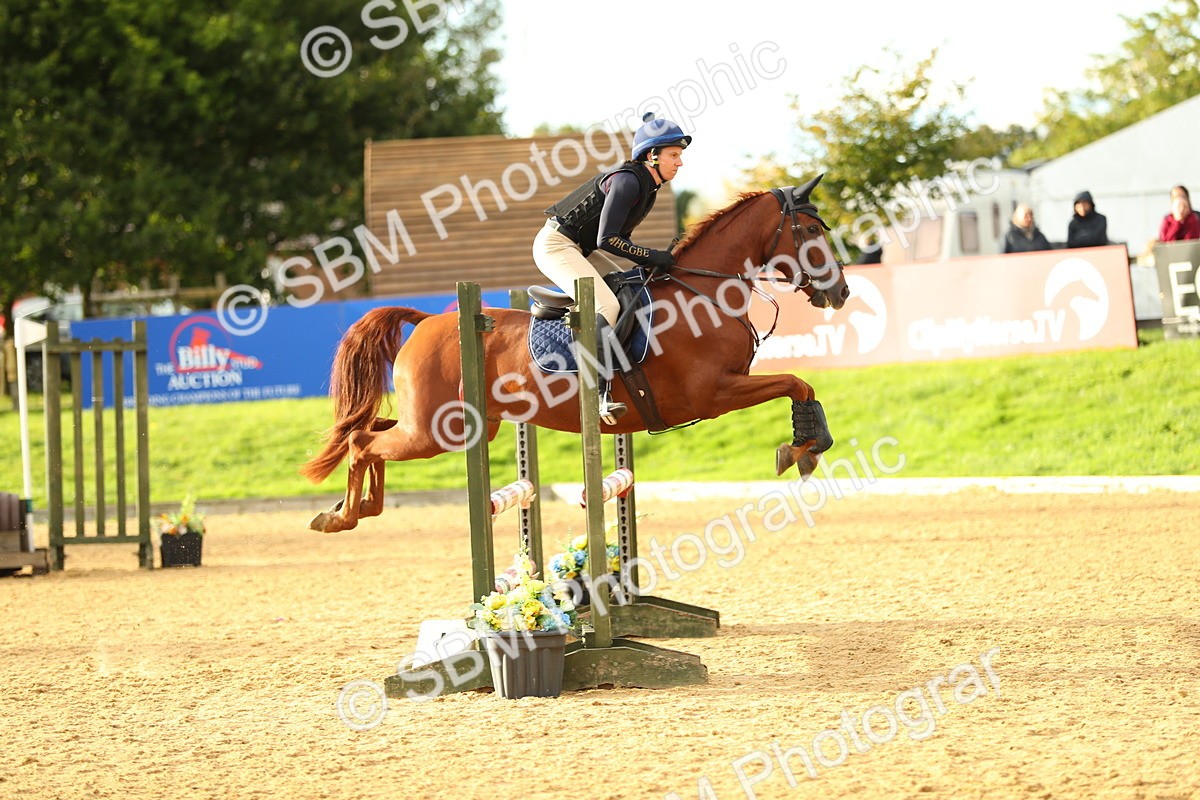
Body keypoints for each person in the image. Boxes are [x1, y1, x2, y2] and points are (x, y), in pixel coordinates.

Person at [533, 113, 690, 424]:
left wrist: (649, 261)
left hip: (581, 248)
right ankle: (599, 394)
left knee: (627, 289)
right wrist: (650, 256)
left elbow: (617, 239)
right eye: (673, 155)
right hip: (556, 246)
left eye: (679, 156)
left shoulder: (648, 186)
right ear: (652, 155)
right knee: (607, 305)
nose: (680, 162)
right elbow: (607, 240)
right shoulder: (628, 181)